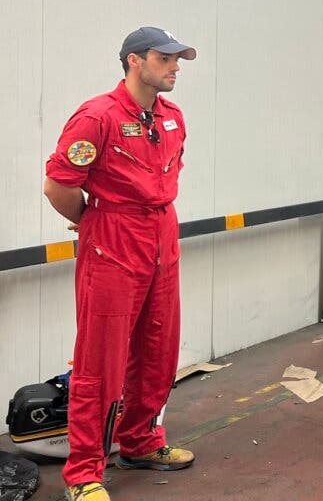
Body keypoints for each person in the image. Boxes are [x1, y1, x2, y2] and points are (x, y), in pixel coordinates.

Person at [44, 27, 198, 501]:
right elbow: (59, 185)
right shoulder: (97, 117)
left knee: (158, 347)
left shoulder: (172, 117)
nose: (176, 66)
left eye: (179, 59)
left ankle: (140, 441)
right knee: (101, 359)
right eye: (166, 57)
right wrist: (93, 221)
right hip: (113, 240)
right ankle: (85, 471)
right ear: (134, 61)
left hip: (161, 236)